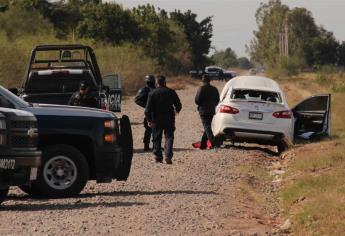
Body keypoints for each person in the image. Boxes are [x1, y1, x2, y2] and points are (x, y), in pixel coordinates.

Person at [145, 75, 182, 164]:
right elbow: (178, 104)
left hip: (156, 119)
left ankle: (158, 157)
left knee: (157, 137)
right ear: (165, 82)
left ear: (157, 82)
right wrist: (177, 111)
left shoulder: (152, 93)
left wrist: (149, 120)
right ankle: (168, 156)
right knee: (169, 137)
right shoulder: (171, 92)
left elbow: (147, 109)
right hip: (169, 118)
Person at [195, 75, 220, 149]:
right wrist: (212, 105)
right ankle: (203, 145)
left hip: (203, 111)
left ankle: (214, 142)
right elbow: (217, 100)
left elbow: (197, 100)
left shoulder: (201, 88)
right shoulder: (214, 89)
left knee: (207, 126)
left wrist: (202, 105)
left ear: (203, 80)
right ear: (209, 80)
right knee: (208, 126)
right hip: (211, 110)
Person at [134, 75, 156, 151]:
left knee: (156, 129)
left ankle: (155, 145)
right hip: (149, 112)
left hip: (156, 112)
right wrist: (147, 106)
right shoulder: (144, 89)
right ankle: (146, 146)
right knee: (149, 129)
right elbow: (136, 99)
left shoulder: (155, 88)